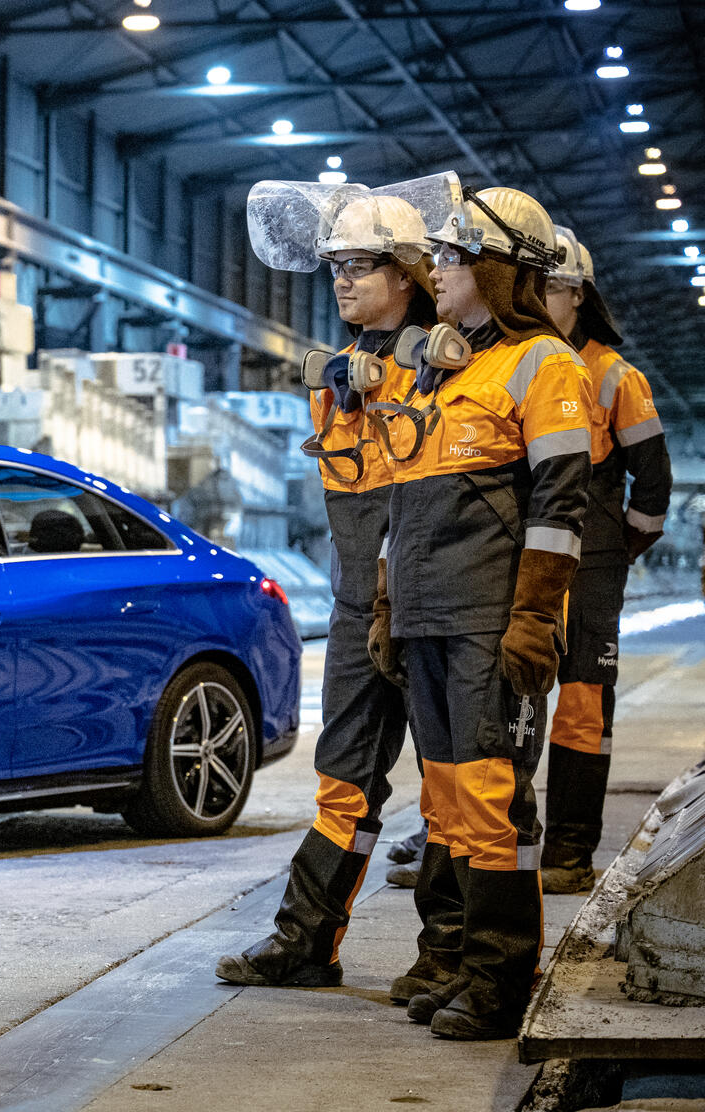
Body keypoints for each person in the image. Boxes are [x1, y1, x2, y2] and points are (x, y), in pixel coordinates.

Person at [373, 182, 590, 1040]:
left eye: (454, 256)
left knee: (492, 797)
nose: (437, 269)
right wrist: (388, 603)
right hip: (427, 616)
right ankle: (452, 955)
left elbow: (561, 508)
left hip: (487, 620)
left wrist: (533, 618)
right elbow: (402, 502)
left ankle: (500, 976)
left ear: (501, 270)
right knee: (444, 797)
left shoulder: (545, 365)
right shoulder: (439, 368)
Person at [217, 187, 436, 990]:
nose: (341, 280)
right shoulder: (335, 380)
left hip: (432, 607)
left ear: (407, 274)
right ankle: (306, 943)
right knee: (342, 777)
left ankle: (449, 958)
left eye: (360, 265)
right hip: (357, 609)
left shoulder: (447, 368)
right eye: (335, 266)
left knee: (456, 787)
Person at [539, 229, 671, 894]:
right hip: (525, 557)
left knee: (582, 706)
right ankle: (475, 846)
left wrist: (615, 549)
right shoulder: (509, 363)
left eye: (549, 287)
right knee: (498, 706)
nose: (536, 298)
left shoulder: (615, 376)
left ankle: (568, 852)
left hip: (587, 563)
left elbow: (654, 486)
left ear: (578, 297)